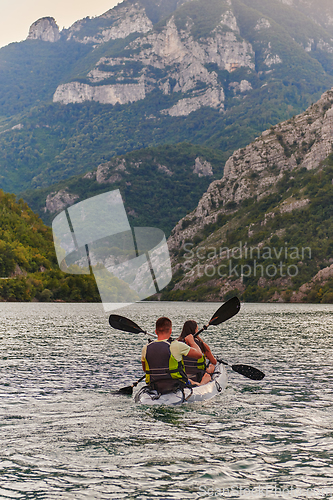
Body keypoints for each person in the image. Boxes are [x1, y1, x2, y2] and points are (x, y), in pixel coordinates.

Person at [141, 316, 203, 394]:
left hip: (154, 385)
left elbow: (145, 369)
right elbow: (199, 354)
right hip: (175, 384)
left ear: (156, 332)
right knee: (194, 383)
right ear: (170, 331)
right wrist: (192, 341)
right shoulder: (177, 345)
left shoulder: (146, 348)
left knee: (190, 380)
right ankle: (201, 384)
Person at [178, 320, 217, 385]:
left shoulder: (177, 343)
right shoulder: (202, 345)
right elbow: (214, 362)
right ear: (196, 331)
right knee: (212, 366)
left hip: (182, 375)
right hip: (198, 376)